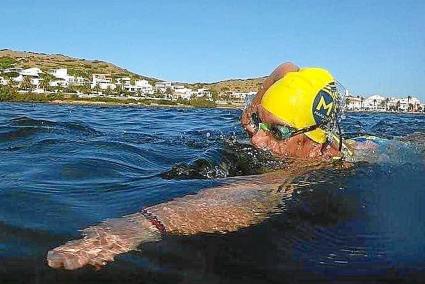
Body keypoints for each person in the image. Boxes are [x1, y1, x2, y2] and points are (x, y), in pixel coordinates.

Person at [47, 62, 406, 270]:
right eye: (261, 125)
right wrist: (254, 109)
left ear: (313, 141)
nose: (257, 139)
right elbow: (288, 68)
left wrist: (134, 229)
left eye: (276, 131)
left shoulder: (311, 167)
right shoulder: (291, 134)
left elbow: (253, 196)